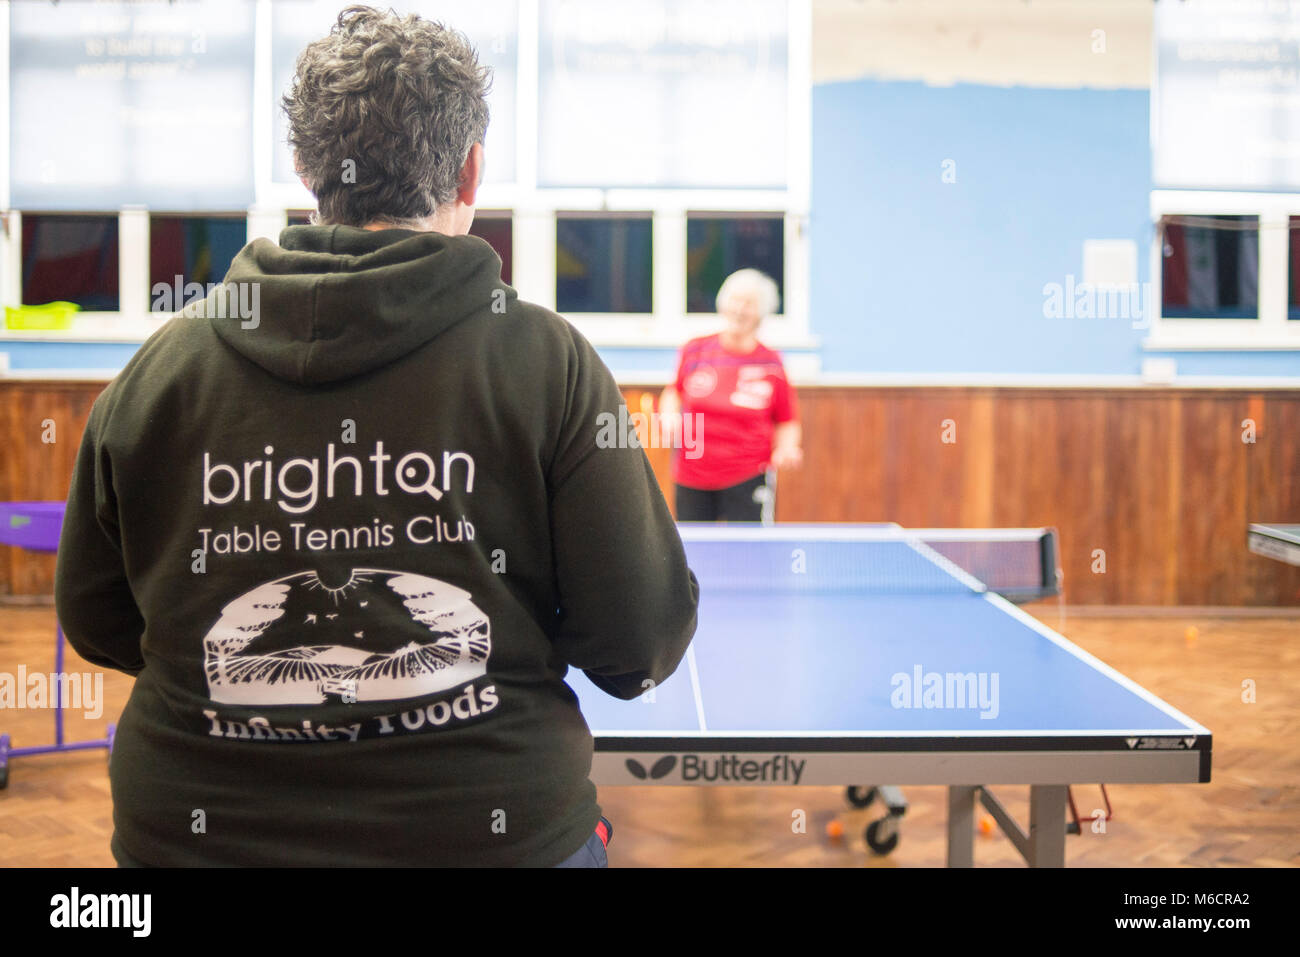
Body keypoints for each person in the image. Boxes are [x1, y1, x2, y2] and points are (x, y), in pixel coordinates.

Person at [53, 5, 698, 868]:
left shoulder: (157, 371)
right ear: (472, 171)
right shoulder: (552, 363)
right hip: (489, 836)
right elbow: (639, 643)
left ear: (306, 166)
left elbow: (95, 621)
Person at [660, 269, 803, 522]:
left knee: (750, 554)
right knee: (694, 553)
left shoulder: (771, 363)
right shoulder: (695, 350)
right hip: (691, 474)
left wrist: (787, 447)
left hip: (747, 475)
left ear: (761, 313)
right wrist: (669, 416)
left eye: (749, 303)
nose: (740, 309)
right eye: (735, 300)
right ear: (723, 304)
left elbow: (786, 420)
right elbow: (674, 392)